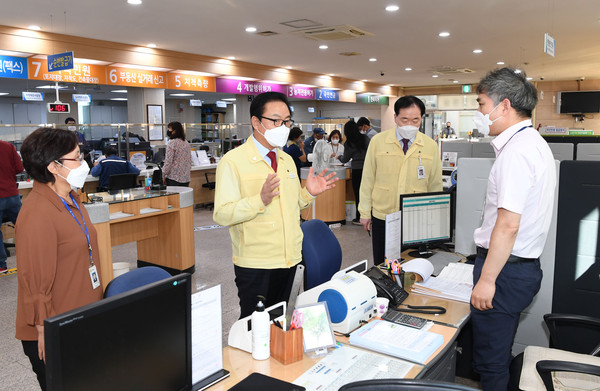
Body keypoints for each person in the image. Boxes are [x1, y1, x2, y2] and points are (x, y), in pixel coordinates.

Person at [213, 92, 338, 318]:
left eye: (287, 121)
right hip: (256, 263)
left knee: (283, 322)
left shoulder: (285, 159)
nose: (283, 127)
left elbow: (292, 205)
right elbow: (222, 214)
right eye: (275, 120)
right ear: (256, 122)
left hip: (290, 258)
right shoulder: (233, 161)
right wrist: (259, 200)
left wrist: (309, 192)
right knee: (256, 329)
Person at [470, 68, 556, 391]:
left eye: (481, 104)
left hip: (504, 273)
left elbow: (508, 225)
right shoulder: (533, 143)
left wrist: (486, 280)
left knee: (492, 367)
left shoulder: (517, 153)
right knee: (499, 354)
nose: (479, 113)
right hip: (519, 269)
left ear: (503, 105)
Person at [15, 127, 104, 390]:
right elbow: (35, 280)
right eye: (76, 157)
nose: (83, 162)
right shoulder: (38, 213)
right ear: (54, 166)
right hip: (55, 328)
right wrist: (45, 329)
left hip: (80, 316)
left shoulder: (71, 198)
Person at [358, 96, 443, 264]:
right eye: (404, 119)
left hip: (416, 218)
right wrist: (365, 212)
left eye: (415, 120)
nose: (409, 125)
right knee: (383, 266)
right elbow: (368, 179)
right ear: (395, 117)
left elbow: (435, 185)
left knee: (412, 266)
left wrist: (434, 219)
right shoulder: (378, 142)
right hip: (384, 216)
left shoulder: (430, 146)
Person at [338, 120, 369, 225]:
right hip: (368, 169)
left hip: (357, 170)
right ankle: (369, 216)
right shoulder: (365, 138)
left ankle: (359, 217)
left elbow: (345, 159)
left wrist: (338, 157)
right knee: (368, 193)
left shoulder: (349, 143)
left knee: (358, 193)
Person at [0, 141, 24, 274]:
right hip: (12, 195)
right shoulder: (8, 146)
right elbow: (20, 168)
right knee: (23, 227)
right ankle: (32, 258)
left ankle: (1, 266)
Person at [163, 121, 193, 187]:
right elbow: (189, 160)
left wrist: (163, 174)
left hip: (174, 178)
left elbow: (168, 162)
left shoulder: (172, 143)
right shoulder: (186, 142)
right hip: (186, 178)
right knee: (183, 197)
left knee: (174, 197)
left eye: (169, 129)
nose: (168, 131)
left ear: (175, 131)